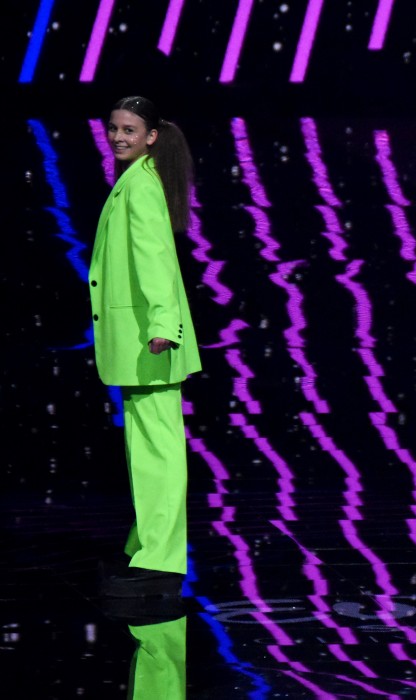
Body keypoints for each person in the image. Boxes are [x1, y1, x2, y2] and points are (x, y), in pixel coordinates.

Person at [89, 96, 201, 597]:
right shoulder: (136, 179)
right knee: (147, 451)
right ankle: (146, 546)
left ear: (151, 136)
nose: (119, 137)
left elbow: (156, 258)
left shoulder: (142, 185)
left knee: (157, 452)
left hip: (150, 341)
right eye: (114, 128)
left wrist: (162, 325)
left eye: (129, 130)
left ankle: (160, 558)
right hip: (139, 341)